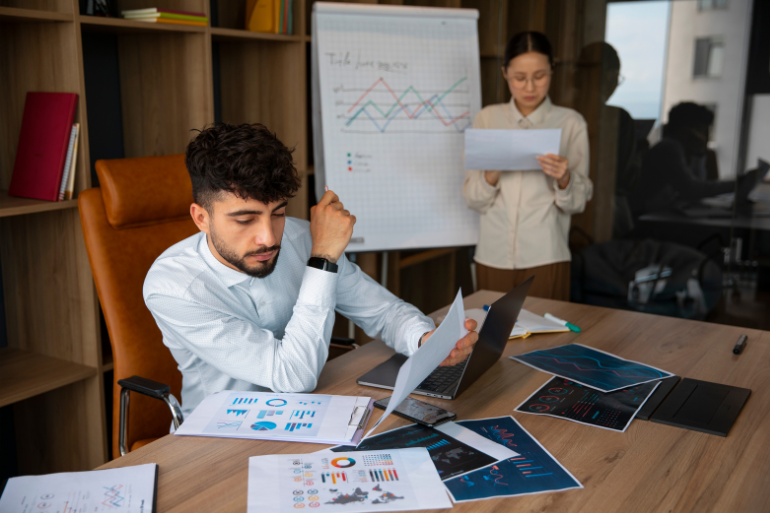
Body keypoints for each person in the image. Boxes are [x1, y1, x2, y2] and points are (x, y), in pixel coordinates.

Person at [143, 123, 479, 418]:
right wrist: (322, 260)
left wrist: (425, 340)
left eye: (277, 213)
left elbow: (384, 311)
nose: (269, 237)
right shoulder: (173, 287)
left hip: (310, 414)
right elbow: (293, 377)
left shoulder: (302, 238)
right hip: (219, 436)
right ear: (201, 218)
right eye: (245, 219)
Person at [463, 31, 593, 300]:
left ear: (552, 71)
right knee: (490, 338)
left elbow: (577, 204)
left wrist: (565, 178)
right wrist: (493, 171)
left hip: (546, 256)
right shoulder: (487, 119)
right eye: (520, 78)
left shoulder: (570, 123)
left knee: (548, 339)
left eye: (540, 76)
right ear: (505, 73)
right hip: (493, 255)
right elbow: (474, 201)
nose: (530, 88)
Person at [629, 102, 734, 216]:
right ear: (689, 130)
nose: (704, 136)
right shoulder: (669, 148)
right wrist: (735, 185)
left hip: (649, 213)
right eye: (701, 129)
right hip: (641, 216)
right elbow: (691, 190)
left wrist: (699, 153)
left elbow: (695, 187)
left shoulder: (672, 146)